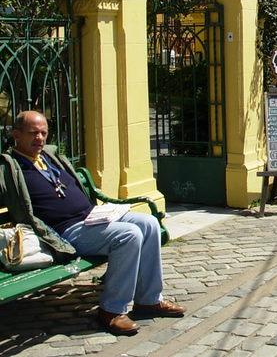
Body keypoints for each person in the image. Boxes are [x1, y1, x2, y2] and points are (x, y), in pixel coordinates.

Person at [0, 111, 185, 336]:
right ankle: (111, 310)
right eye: (33, 133)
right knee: (128, 235)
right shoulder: (10, 167)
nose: (39, 138)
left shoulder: (49, 157)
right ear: (16, 134)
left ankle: (149, 300)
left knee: (149, 224)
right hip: (66, 230)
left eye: (43, 133)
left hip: (92, 217)